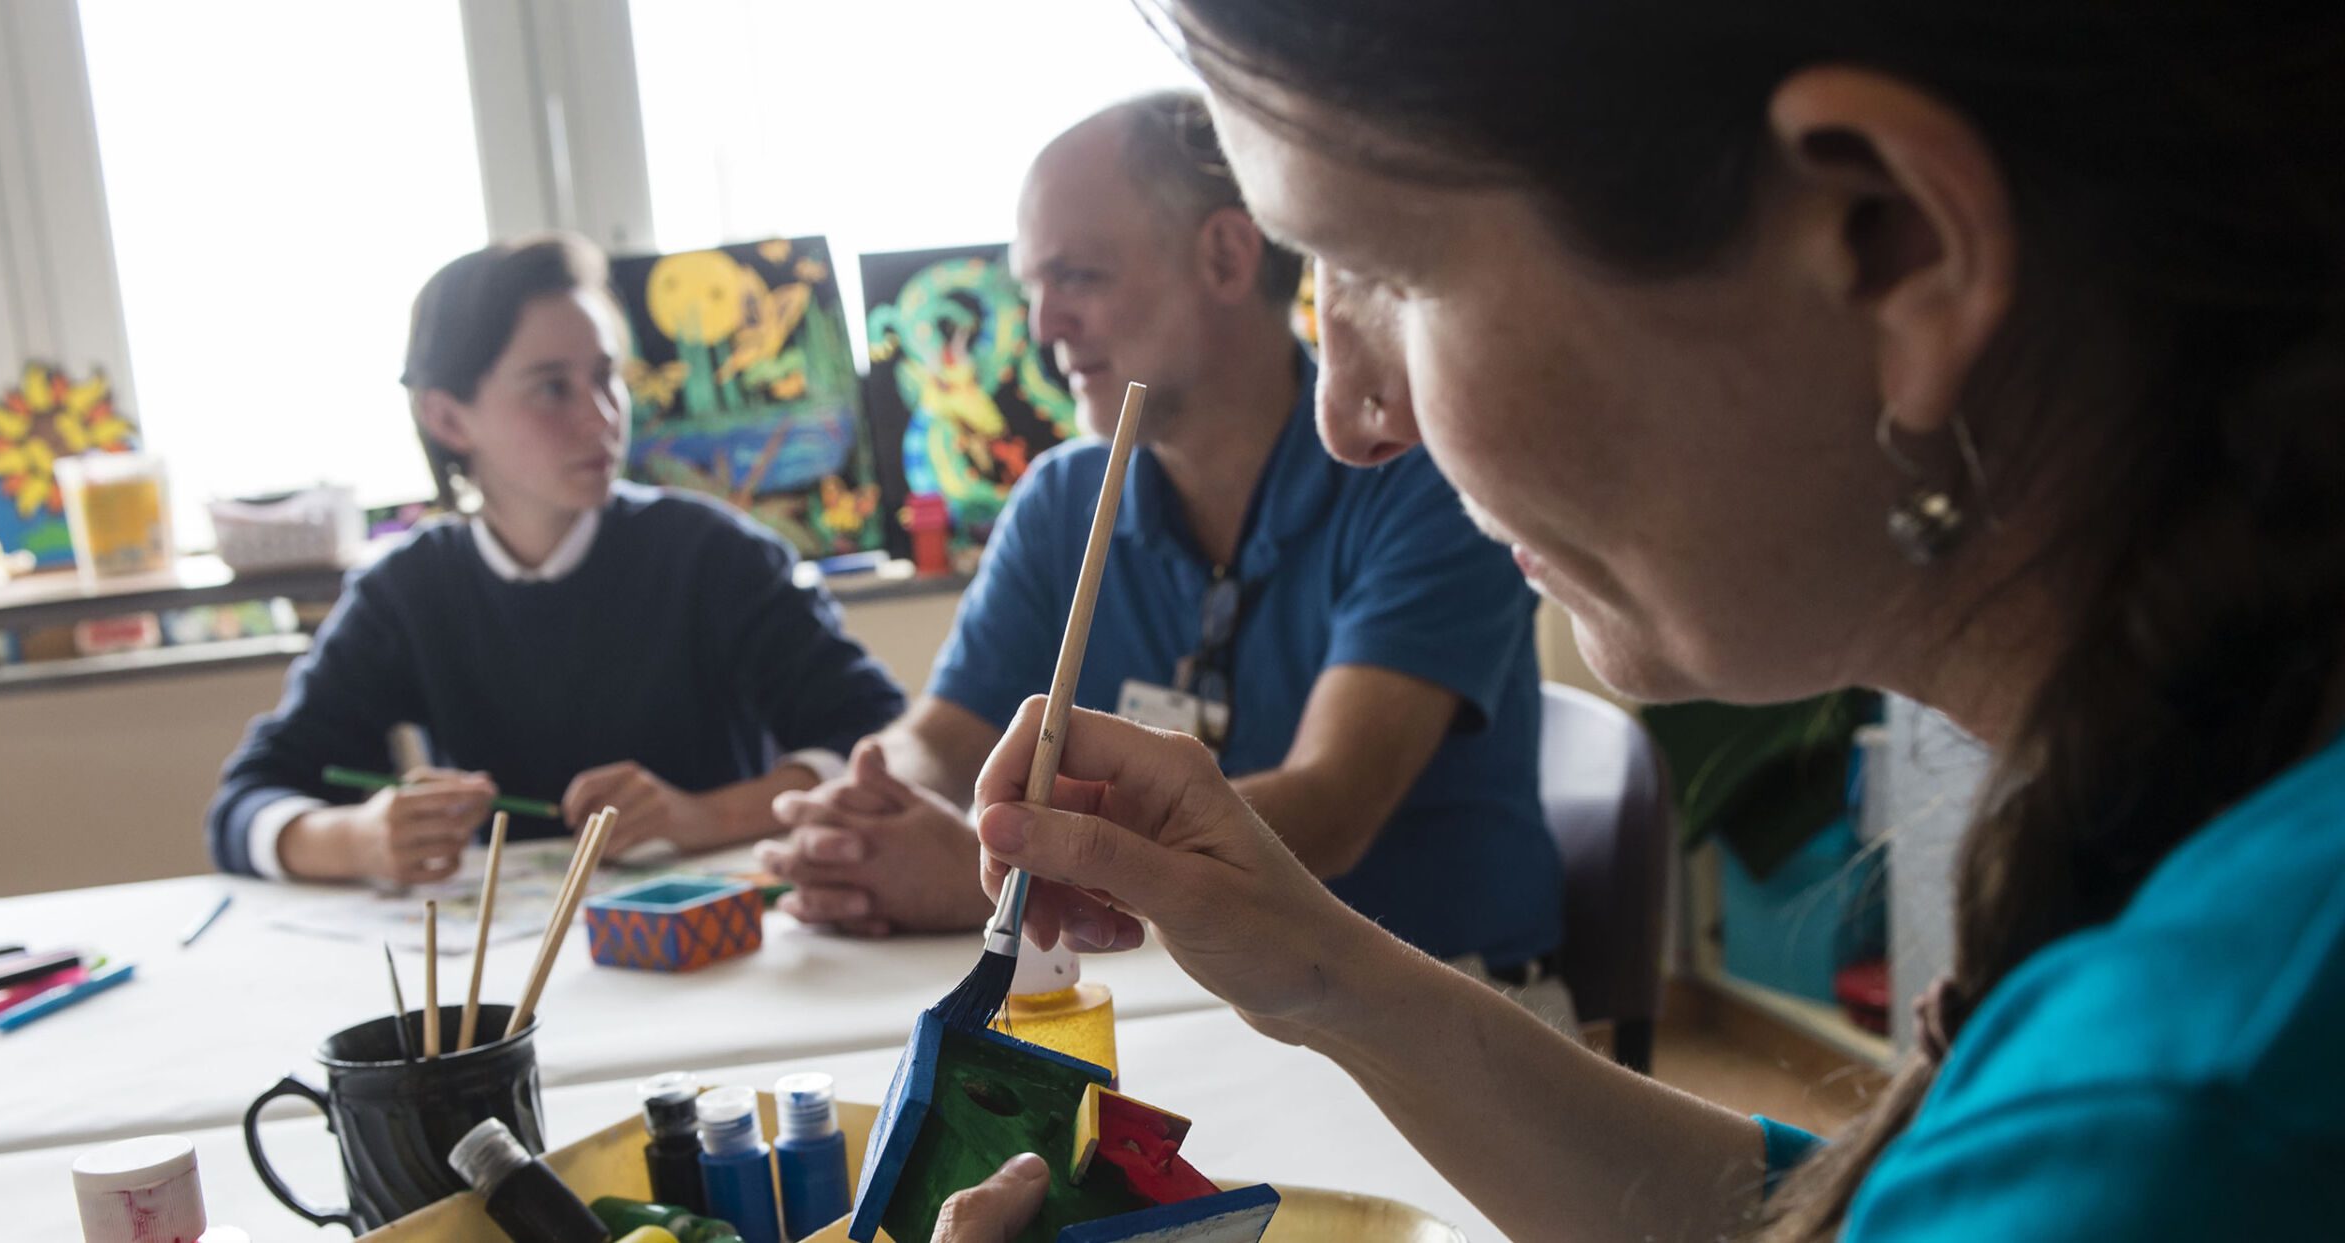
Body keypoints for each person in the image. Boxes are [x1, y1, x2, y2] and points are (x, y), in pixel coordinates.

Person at [935, 2, 2345, 1240]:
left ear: (1890, 241)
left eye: (1388, 274)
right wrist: (1320, 971)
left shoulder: (2190, 1110)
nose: (1352, 417)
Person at [756, 91, 1561, 983]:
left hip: (1437, 1010)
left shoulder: (1421, 473)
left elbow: (1332, 805)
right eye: (1033, 285)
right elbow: (946, 733)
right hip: (1170, 987)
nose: (1040, 325)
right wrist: (874, 797)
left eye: (1078, 277)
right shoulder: (1063, 497)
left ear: (1224, 255)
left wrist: (1006, 865)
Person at [208, 234, 906, 884]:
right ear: (448, 418)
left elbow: (882, 740)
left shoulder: (713, 554)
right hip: (507, 971)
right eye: (551, 387)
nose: (603, 417)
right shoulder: (408, 590)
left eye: (608, 377)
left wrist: (704, 816)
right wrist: (358, 837)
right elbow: (246, 803)